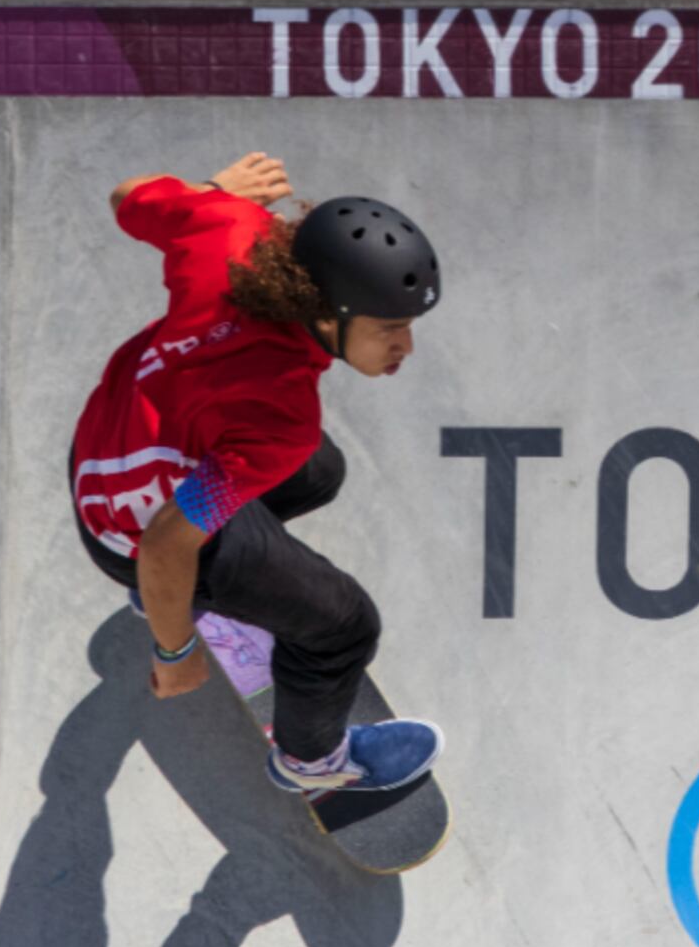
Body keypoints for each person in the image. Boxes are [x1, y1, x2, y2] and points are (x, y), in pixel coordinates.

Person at [70, 150, 442, 795]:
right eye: (391, 329)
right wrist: (175, 648)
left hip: (105, 445)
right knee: (344, 624)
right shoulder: (278, 418)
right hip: (131, 535)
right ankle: (311, 763)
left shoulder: (228, 228)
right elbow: (165, 541)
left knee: (319, 469)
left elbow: (125, 194)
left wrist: (212, 192)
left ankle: (178, 591)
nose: (406, 348)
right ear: (330, 315)